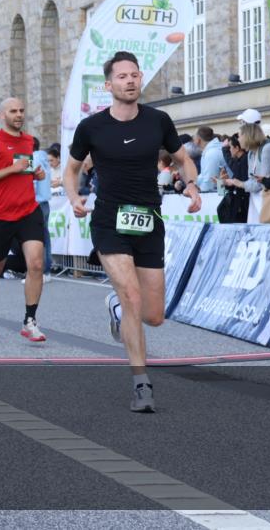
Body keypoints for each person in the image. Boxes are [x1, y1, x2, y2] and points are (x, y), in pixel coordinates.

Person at [63, 51, 201, 413]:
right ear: (109, 85)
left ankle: (116, 308)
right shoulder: (92, 127)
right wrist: (74, 195)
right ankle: (142, 383)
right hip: (109, 221)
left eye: (135, 75)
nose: (130, 81)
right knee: (132, 297)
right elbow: (71, 168)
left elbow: (183, 158)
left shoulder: (158, 120)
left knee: (153, 315)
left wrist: (192, 185)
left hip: (148, 220)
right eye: (122, 76)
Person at [0, 98, 49, 342]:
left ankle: (30, 320)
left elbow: (22, 170)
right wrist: (12, 169)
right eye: (13, 111)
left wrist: (34, 174)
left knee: (36, 264)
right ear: (2, 115)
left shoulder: (28, 140)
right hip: (0, 215)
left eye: (22, 110)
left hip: (28, 211)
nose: (19, 115)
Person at [232, 109, 270, 196]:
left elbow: (262, 183)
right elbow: (252, 180)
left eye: (239, 136)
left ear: (247, 135)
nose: (238, 140)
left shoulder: (268, 149)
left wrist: (239, 184)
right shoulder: (251, 152)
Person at [31, 136, 54, 282]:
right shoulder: (44, 158)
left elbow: (29, 182)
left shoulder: (30, 159)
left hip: (34, 202)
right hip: (44, 202)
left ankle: (41, 272)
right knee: (44, 236)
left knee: (36, 238)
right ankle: (46, 271)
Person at [194, 126, 223, 192]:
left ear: (198, 139)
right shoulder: (209, 151)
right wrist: (190, 183)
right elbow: (203, 175)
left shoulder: (211, 153)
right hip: (221, 192)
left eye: (194, 137)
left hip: (221, 194)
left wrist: (198, 192)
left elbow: (209, 182)